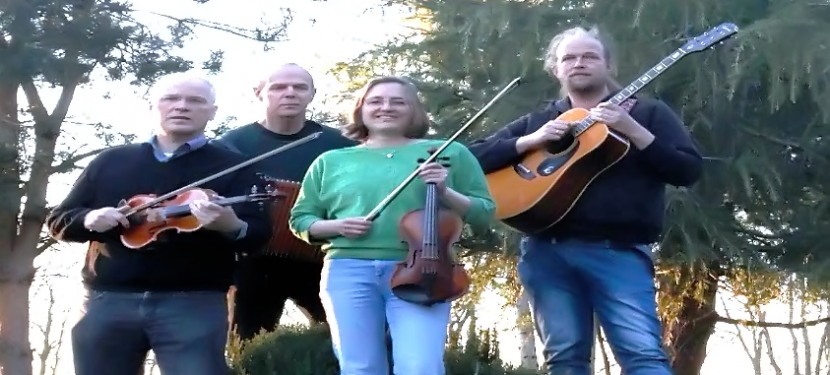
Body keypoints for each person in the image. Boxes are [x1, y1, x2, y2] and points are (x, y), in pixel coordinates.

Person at [468, 26, 702, 375]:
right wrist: (528, 141)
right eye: (569, 58)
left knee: (642, 356)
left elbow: (687, 170)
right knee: (564, 358)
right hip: (546, 252)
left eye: (590, 56)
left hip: (618, 250)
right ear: (556, 69)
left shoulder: (648, 113)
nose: (579, 63)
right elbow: (470, 159)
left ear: (609, 65)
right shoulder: (541, 120)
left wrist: (633, 130)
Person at [45, 72, 272, 375]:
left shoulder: (235, 166)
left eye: (195, 100)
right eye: (171, 98)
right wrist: (89, 218)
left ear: (212, 112)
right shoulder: (111, 161)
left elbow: (259, 233)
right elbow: (59, 220)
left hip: (194, 303)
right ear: (152, 106)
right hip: (107, 301)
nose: (182, 106)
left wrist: (230, 225)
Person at [289, 76, 495, 375]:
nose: (386, 107)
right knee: (360, 367)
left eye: (398, 102)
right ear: (360, 110)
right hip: (348, 271)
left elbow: (484, 212)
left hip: (426, 270)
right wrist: (337, 226)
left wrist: (446, 192)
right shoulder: (330, 161)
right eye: (376, 101)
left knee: (420, 366)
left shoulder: (449, 152)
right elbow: (301, 220)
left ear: (415, 111)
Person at [214, 63, 356, 340]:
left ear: (312, 94)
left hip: (323, 258)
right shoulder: (230, 145)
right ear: (259, 93)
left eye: (299, 87)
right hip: (253, 261)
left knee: (344, 341)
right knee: (246, 343)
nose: (290, 93)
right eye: (278, 87)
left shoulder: (339, 145)